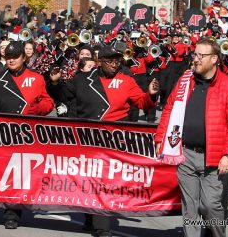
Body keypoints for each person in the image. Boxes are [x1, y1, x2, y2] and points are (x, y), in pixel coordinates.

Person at [63, 45, 159, 237]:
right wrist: (55, 82)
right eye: (110, 61)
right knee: (88, 180)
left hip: (113, 137)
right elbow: (63, 94)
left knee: (104, 180)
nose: (115, 65)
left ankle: (102, 227)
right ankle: (90, 218)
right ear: (100, 62)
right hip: (88, 136)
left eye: (117, 61)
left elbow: (142, 102)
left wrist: (151, 94)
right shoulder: (83, 78)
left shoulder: (126, 80)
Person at [155, 37, 228, 237]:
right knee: (190, 208)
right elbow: (170, 109)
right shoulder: (185, 80)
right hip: (185, 153)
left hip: (213, 157)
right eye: (194, 54)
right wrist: (161, 138)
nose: (195, 59)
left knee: (210, 206)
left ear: (214, 59)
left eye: (200, 55)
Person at [0, 41, 55, 230]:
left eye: (15, 57)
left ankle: (12, 214)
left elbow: (48, 103)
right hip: (4, 132)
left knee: (21, 174)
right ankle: (10, 207)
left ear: (24, 58)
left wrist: (37, 109)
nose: (11, 60)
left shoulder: (36, 78)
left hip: (28, 133)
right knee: (6, 173)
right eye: (8, 57)